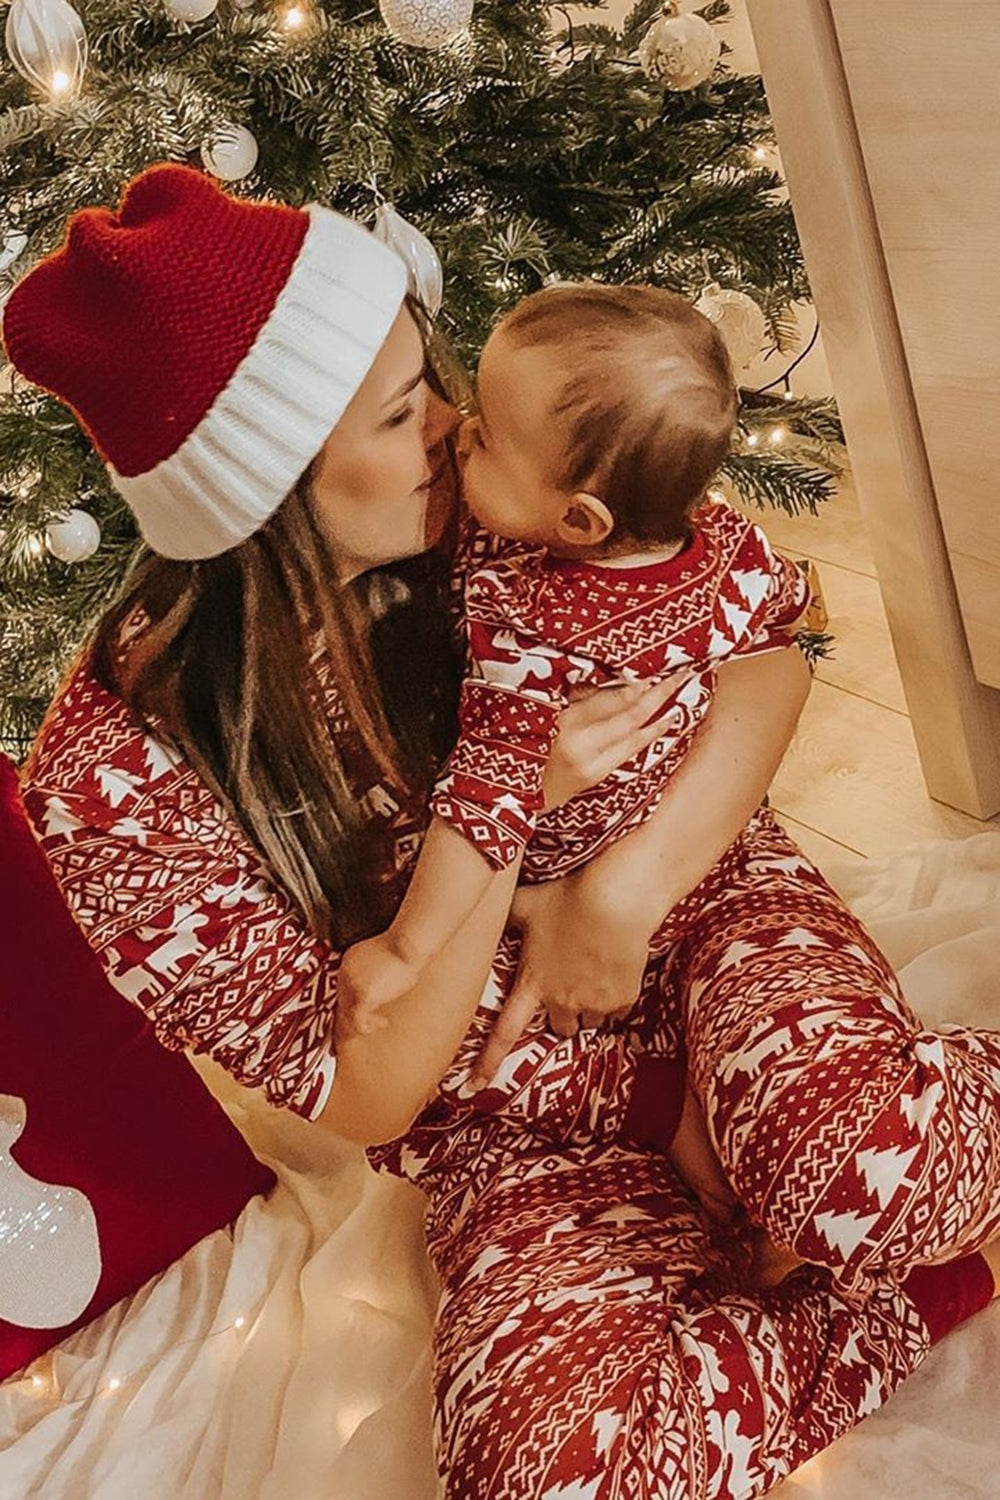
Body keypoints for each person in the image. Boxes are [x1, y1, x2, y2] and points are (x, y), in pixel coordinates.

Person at [4, 162, 999, 1498]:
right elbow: (364, 1090)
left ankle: (851, 1200)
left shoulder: (511, 494)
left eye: (430, 377)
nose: (450, 423)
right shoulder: (115, 780)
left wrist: (624, 895)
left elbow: (775, 643)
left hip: (708, 916)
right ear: (271, 491)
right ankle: (913, 1285)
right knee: (550, 1471)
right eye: (401, 412)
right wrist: (515, 823)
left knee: (857, 1168)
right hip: (505, 1121)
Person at [338, 284, 811, 1062]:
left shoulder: (532, 629)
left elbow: (486, 803)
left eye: (489, 439)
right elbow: (787, 608)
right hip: (687, 852)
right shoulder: (732, 547)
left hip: (573, 874)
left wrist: (404, 950)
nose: (459, 432)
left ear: (580, 520)